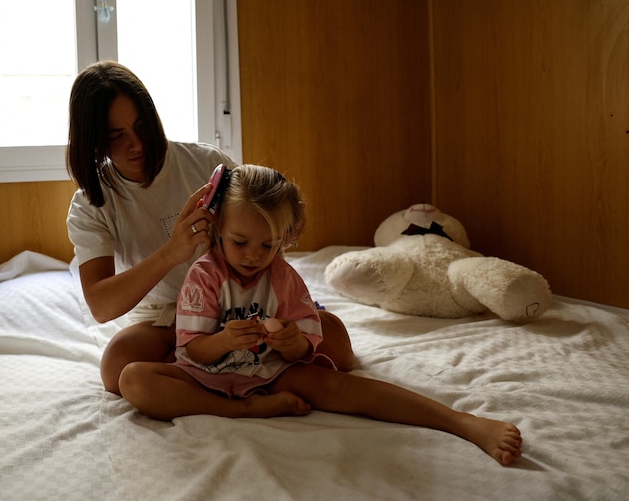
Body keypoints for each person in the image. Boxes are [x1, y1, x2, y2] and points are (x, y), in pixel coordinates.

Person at [119, 165, 523, 466]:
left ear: (285, 241)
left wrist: (292, 342)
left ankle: (461, 422)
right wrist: (224, 341)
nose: (254, 256)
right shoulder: (203, 276)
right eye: (240, 242)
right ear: (217, 229)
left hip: (271, 370)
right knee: (134, 379)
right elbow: (193, 351)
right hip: (205, 379)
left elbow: (303, 348)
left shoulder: (284, 278)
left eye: (269, 245)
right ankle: (242, 410)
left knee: (343, 386)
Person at [66, 61, 355, 396]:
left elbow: (265, 226)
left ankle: (212, 374)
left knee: (339, 349)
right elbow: (101, 306)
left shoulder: (205, 164)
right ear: (93, 142)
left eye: (143, 127)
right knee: (117, 367)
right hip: (167, 316)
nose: (137, 145)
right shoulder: (91, 203)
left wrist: (286, 314)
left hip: (244, 301)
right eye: (117, 137)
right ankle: (235, 390)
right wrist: (172, 254)